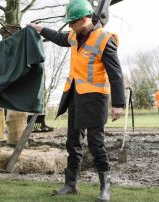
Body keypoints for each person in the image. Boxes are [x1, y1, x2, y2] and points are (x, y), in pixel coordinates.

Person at [30, 0, 125, 201]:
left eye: (72, 22)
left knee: (96, 143)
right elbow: (59, 37)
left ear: (84, 19)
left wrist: (118, 104)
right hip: (74, 96)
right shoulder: (74, 35)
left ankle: (105, 188)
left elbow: (115, 74)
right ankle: (70, 184)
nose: (70, 26)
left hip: (95, 99)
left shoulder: (104, 39)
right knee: (73, 142)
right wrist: (40, 28)